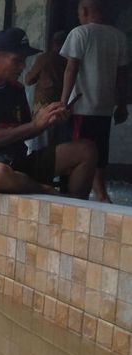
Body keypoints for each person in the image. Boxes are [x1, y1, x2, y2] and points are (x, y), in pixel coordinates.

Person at [0, 28, 96, 197]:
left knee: (86, 149)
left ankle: (75, 208)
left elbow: (25, 131)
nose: (22, 67)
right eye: (17, 61)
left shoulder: (16, 89)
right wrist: (35, 125)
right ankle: (46, 190)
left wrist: (49, 120)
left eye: (24, 61)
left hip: (18, 163)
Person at [60, 0, 129, 203]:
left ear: (84, 10)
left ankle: (75, 196)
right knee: (99, 152)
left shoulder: (79, 33)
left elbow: (71, 68)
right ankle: (101, 194)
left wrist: (63, 102)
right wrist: (122, 104)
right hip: (104, 107)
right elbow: (122, 75)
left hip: (81, 105)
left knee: (77, 151)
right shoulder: (119, 36)